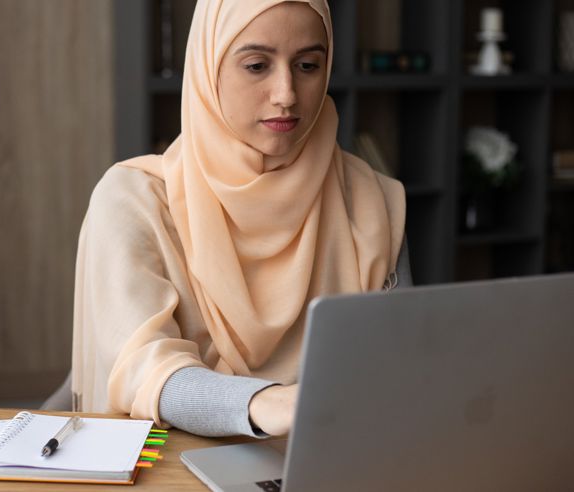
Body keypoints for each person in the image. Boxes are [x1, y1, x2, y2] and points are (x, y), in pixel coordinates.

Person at [71, 0, 410, 438]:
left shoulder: (372, 199)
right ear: (207, 68)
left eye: (308, 65)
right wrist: (265, 403)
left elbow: (401, 363)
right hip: (176, 464)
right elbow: (142, 367)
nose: (286, 93)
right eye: (256, 66)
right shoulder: (134, 199)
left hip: (334, 458)